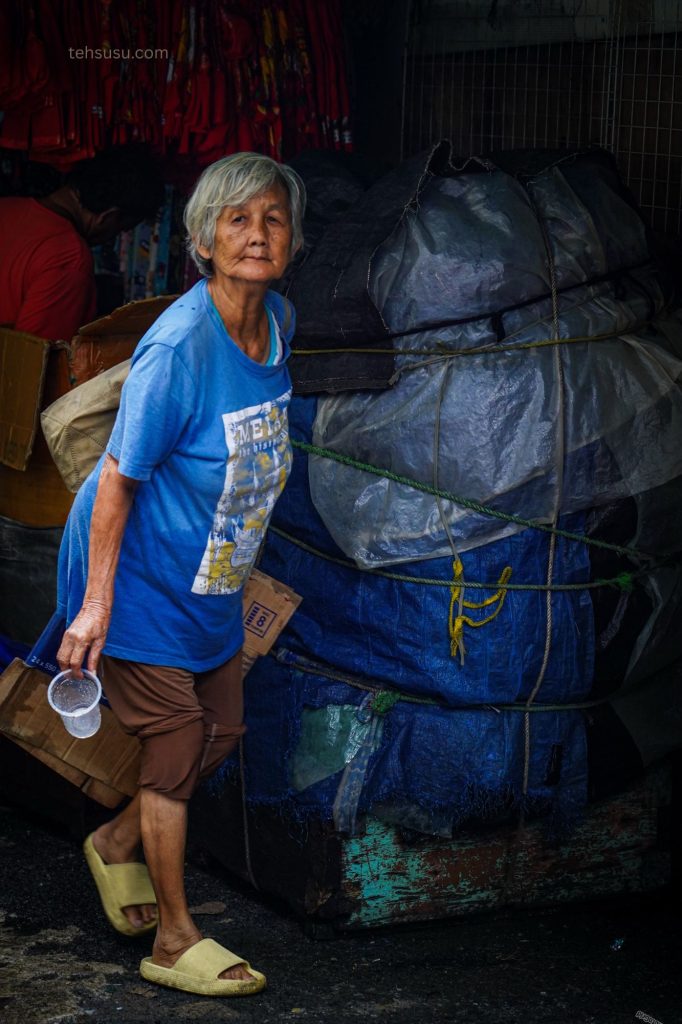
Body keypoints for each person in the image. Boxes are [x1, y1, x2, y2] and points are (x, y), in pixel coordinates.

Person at [55, 152, 305, 997]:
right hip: (135, 579)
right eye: (237, 219)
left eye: (272, 218)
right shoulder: (178, 348)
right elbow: (121, 482)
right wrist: (94, 608)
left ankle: (116, 843)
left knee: (220, 734)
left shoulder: (280, 324)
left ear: (293, 238)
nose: (256, 235)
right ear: (202, 238)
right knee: (174, 742)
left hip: (210, 581)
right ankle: (173, 937)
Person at [0, 146, 164, 342]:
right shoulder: (69, 257)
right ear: (108, 216)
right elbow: (35, 360)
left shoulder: (6, 206)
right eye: (120, 229)